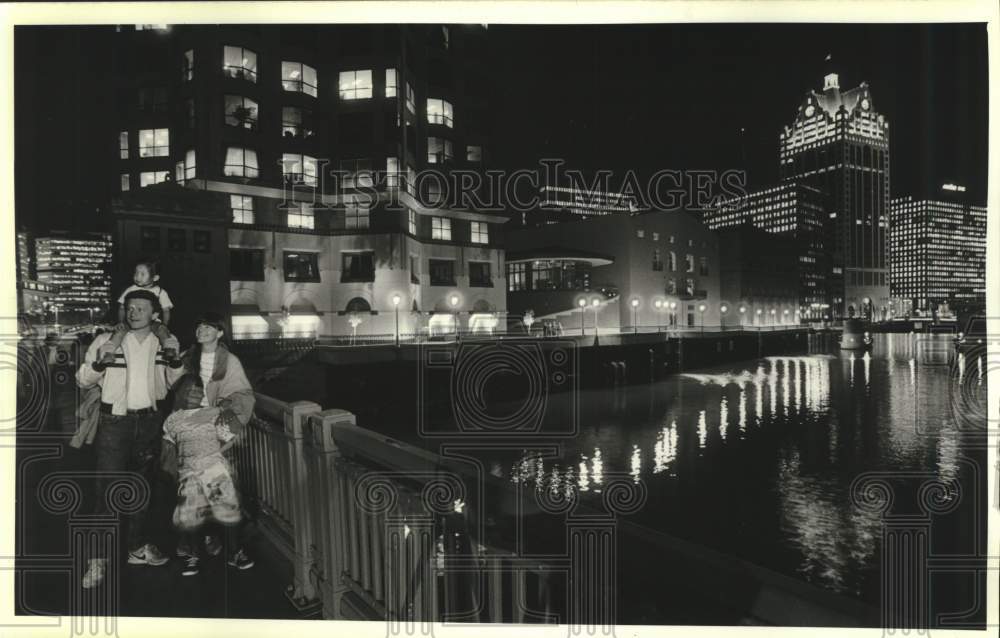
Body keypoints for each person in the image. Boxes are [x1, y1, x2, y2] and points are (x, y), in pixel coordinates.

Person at [76, 289, 185, 589]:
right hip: (114, 423)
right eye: (130, 307)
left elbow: (174, 381)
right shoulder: (105, 340)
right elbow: (82, 378)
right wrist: (99, 363)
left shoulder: (161, 343)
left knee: (141, 489)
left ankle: (136, 548)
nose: (134, 312)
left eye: (141, 308)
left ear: (154, 313)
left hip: (149, 421)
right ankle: (97, 559)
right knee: (107, 490)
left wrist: (174, 357)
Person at [171, 312, 256, 570]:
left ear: (219, 333)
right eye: (199, 325)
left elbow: (242, 395)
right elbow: (170, 386)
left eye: (209, 327)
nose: (202, 330)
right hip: (189, 430)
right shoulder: (188, 357)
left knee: (223, 492)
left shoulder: (230, 361)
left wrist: (217, 412)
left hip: (215, 430)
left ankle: (232, 550)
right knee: (191, 493)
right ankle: (196, 549)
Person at [162, 375, 244, 576]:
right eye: (190, 390)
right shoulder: (173, 419)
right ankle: (193, 556)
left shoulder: (212, 414)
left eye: (198, 389)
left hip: (214, 471)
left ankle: (235, 553)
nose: (195, 393)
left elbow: (232, 437)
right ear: (181, 393)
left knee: (229, 512)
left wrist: (217, 456)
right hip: (189, 473)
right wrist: (173, 473)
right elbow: (168, 449)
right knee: (191, 518)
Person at [98, 260, 176, 368]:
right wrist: (121, 322)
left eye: (142, 274)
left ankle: (169, 350)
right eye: (136, 273)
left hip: (153, 321)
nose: (137, 277)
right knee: (118, 333)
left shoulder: (160, 292)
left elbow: (166, 311)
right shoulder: (130, 289)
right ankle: (108, 353)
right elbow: (121, 307)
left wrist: (165, 324)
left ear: (155, 278)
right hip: (130, 321)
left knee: (163, 331)